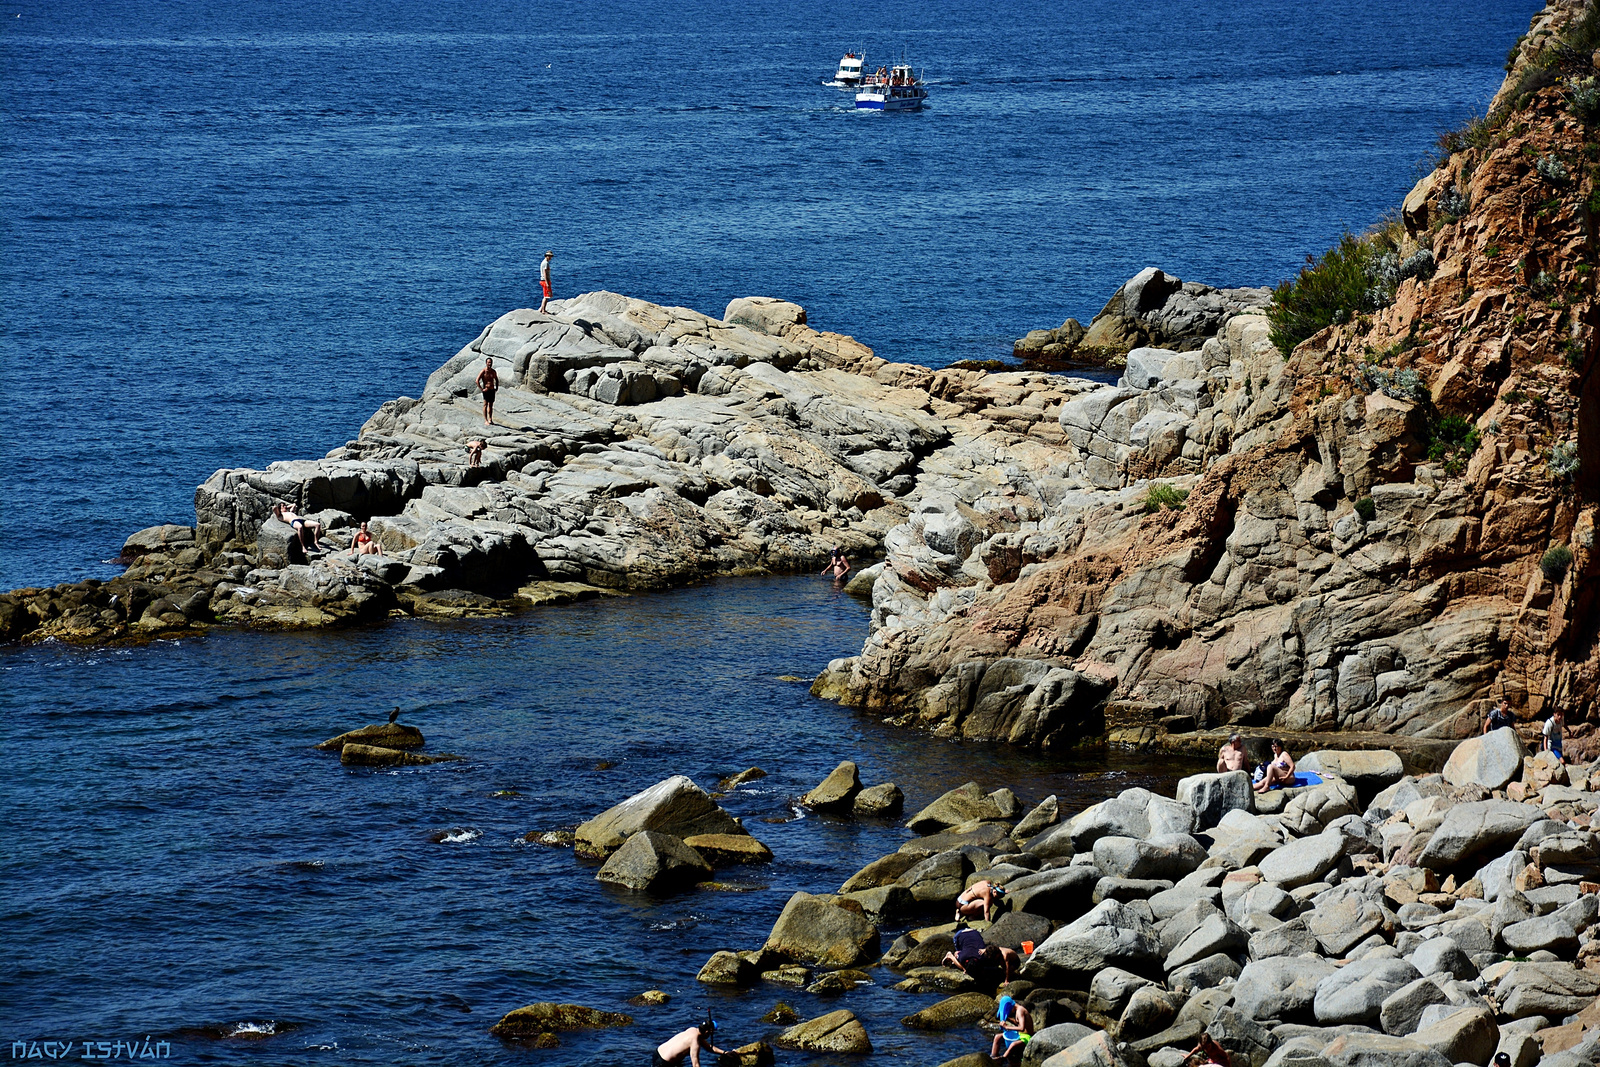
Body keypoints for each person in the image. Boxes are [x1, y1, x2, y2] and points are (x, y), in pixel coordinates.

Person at [942, 928, 1019, 990]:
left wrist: (1007, 980)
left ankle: (953, 954)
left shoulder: (985, 955)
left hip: (967, 933)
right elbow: (959, 960)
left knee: (958, 956)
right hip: (971, 932)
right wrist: (955, 957)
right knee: (957, 954)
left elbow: (1007, 967)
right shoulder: (973, 955)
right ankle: (951, 955)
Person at [653, 1016, 725, 1067]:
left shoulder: (692, 1030)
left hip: (657, 1052)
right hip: (664, 1062)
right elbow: (695, 1065)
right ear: (706, 1032)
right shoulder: (695, 1043)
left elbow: (708, 1047)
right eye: (710, 1033)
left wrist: (724, 1053)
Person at [990, 994, 1032, 1064]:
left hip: (1026, 1037)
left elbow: (1021, 1028)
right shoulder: (1017, 1010)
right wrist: (1008, 1019)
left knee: (1013, 1045)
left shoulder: (1020, 1010)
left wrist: (1007, 1027)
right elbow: (1017, 1023)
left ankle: (1002, 1059)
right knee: (997, 1037)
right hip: (1019, 1034)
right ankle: (993, 1057)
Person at [476, 357, 499, 427]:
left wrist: (496, 388)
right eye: (488, 362)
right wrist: (481, 389)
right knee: (485, 404)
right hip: (486, 390)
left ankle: (490, 419)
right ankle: (486, 420)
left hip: (492, 390)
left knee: (491, 405)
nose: (490, 364)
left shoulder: (493, 371)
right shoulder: (483, 371)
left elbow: (496, 379)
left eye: (491, 362)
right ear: (486, 363)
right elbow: (477, 380)